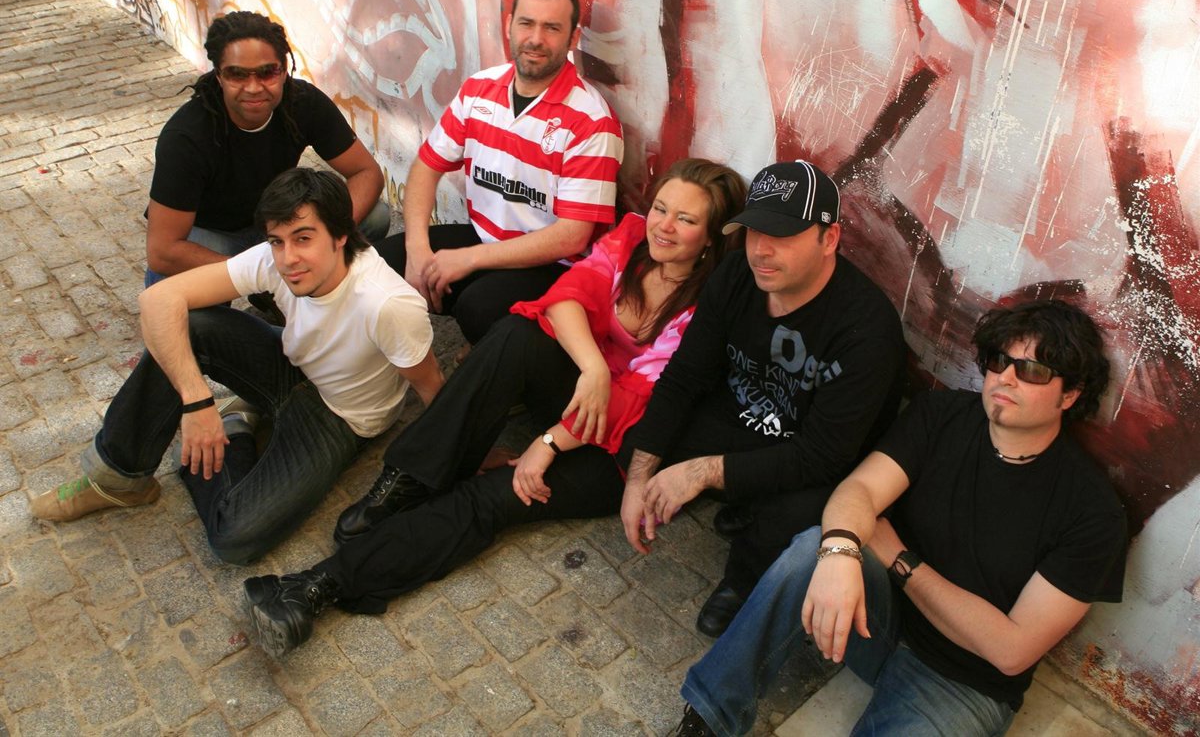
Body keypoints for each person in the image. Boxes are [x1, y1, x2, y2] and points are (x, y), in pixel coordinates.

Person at [239, 158, 745, 658]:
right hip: (585, 393)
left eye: (685, 219)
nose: (663, 226)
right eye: (661, 208)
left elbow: (642, 400)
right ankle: (408, 479)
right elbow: (567, 294)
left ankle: (314, 588)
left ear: (711, 237)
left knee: (491, 498)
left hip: (621, 444)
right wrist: (593, 369)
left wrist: (547, 444)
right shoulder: (633, 236)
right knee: (517, 334)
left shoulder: (712, 303)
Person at [673, 299, 1128, 737]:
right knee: (816, 548)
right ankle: (709, 717)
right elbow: (859, 492)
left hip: (962, 681)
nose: (1005, 378)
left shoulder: (1092, 513)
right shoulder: (942, 414)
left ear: (1070, 394)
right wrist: (839, 554)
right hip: (876, 616)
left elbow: (1011, 650)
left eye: (1032, 371)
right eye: (999, 361)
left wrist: (900, 560)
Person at [31, 169, 443, 565]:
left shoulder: (387, 304)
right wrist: (196, 402)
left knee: (234, 538)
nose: (288, 258)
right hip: (290, 365)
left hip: (339, 416)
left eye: (304, 238)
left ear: (341, 235)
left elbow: (435, 392)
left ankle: (235, 428)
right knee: (183, 322)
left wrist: (459, 471)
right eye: (277, 241)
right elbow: (157, 300)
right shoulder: (276, 258)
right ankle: (119, 477)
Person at [619, 160, 907, 638]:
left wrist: (702, 471)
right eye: (754, 231)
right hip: (745, 419)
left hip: (815, 454)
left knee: (797, 514)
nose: (761, 251)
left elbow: (821, 456)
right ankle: (737, 497)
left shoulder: (867, 329)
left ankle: (743, 579)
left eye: (782, 236)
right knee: (640, 447)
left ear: (829, 239)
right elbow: (684, 376)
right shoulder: (736, 272)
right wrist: (639, 477)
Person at [376, 0, 624, 344]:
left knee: (478, 307)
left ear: (572, 38)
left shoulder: (591, 120)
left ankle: (515, 358)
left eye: (552, 28)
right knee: (379, 264)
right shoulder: (479, 88)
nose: (535, 39)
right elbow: (427, 167)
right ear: (509, 25)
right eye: (526, 23)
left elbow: (572, 237)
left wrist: (471, 258)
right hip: (485, 237)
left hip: (554, 266)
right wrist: (417, 251)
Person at [146, 10, 389, 286]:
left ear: (284, 71)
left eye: (267, 72)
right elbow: (162, 251)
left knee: (374, 216)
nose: (253, 87)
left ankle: (318, 295)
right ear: (219, 76)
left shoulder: (304, 103)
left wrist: (326, 236)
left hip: (282, 225)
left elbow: (366, 173)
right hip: (215, 236)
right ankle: (260, 300)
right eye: (236, 74)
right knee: (173, 286)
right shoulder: (186, 137)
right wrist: (263, 274)